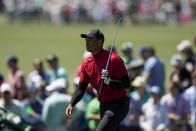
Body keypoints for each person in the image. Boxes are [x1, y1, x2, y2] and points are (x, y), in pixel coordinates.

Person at [65, 29, 130, 131]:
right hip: (103, 105)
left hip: (119, 105)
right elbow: (81, 87)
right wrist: (71, 104)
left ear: (99, 42)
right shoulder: (87, 63)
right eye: (86, 39)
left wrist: (109, 81)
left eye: (90, 39)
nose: (87, 42)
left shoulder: (114, 59)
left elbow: (126, 83)